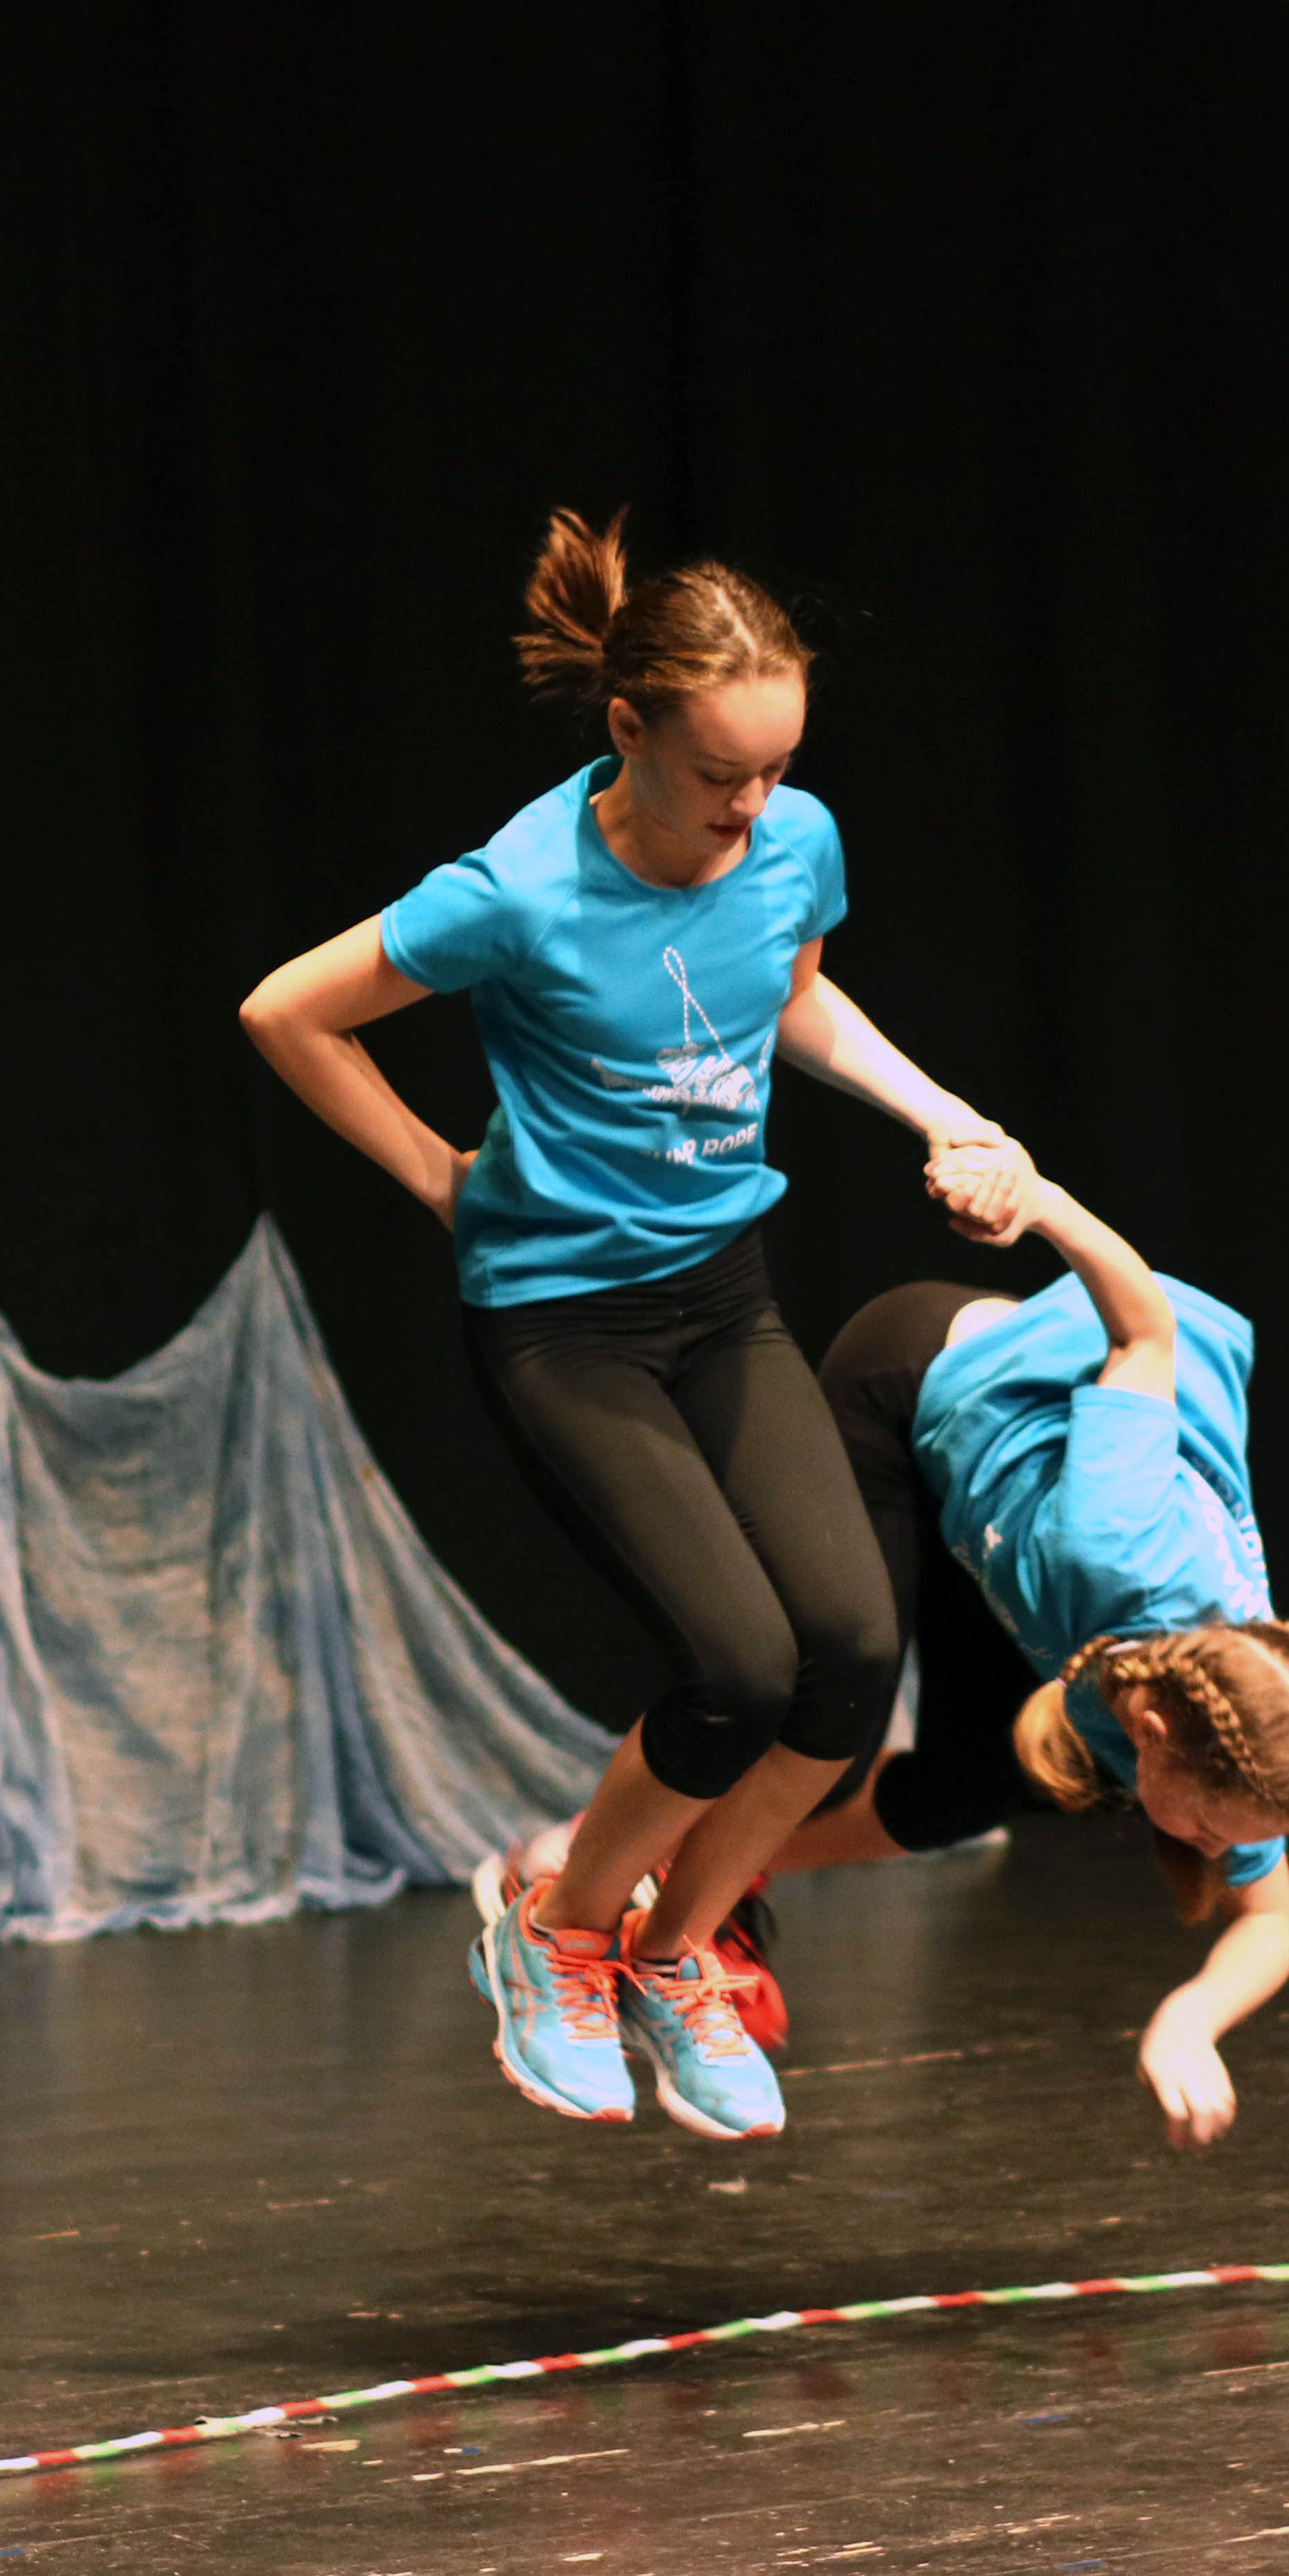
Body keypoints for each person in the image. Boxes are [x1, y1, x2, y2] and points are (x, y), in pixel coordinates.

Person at [241, 509, 1027, 2142]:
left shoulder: (795, 842)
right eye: (720, 774)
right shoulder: (521, 888)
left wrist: (943, 1113)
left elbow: (791, 993)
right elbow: (287, 1010)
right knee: (735, 1665)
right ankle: (556, 1931)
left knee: (850, 1653)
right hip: (565, 1319)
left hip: (720, 1297)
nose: (752, 806)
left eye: (777, 769)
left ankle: (678, 1951)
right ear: (630, 730)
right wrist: (442, 1181)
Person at [511, 1174, 1289, 2147]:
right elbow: (1144, 1333)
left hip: (1004, 1524)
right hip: (917, 1388)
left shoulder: (1230, 1712)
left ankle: (702, 1872)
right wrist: (1039, 1202)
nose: (1211, 1848)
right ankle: (592, 1871)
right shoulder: (1120, 1547)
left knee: (960, 1793)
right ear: (1153, 1733)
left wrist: (1190, 2022)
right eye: (1206, 1826)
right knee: (831, 1724)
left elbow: (1271, 1923)